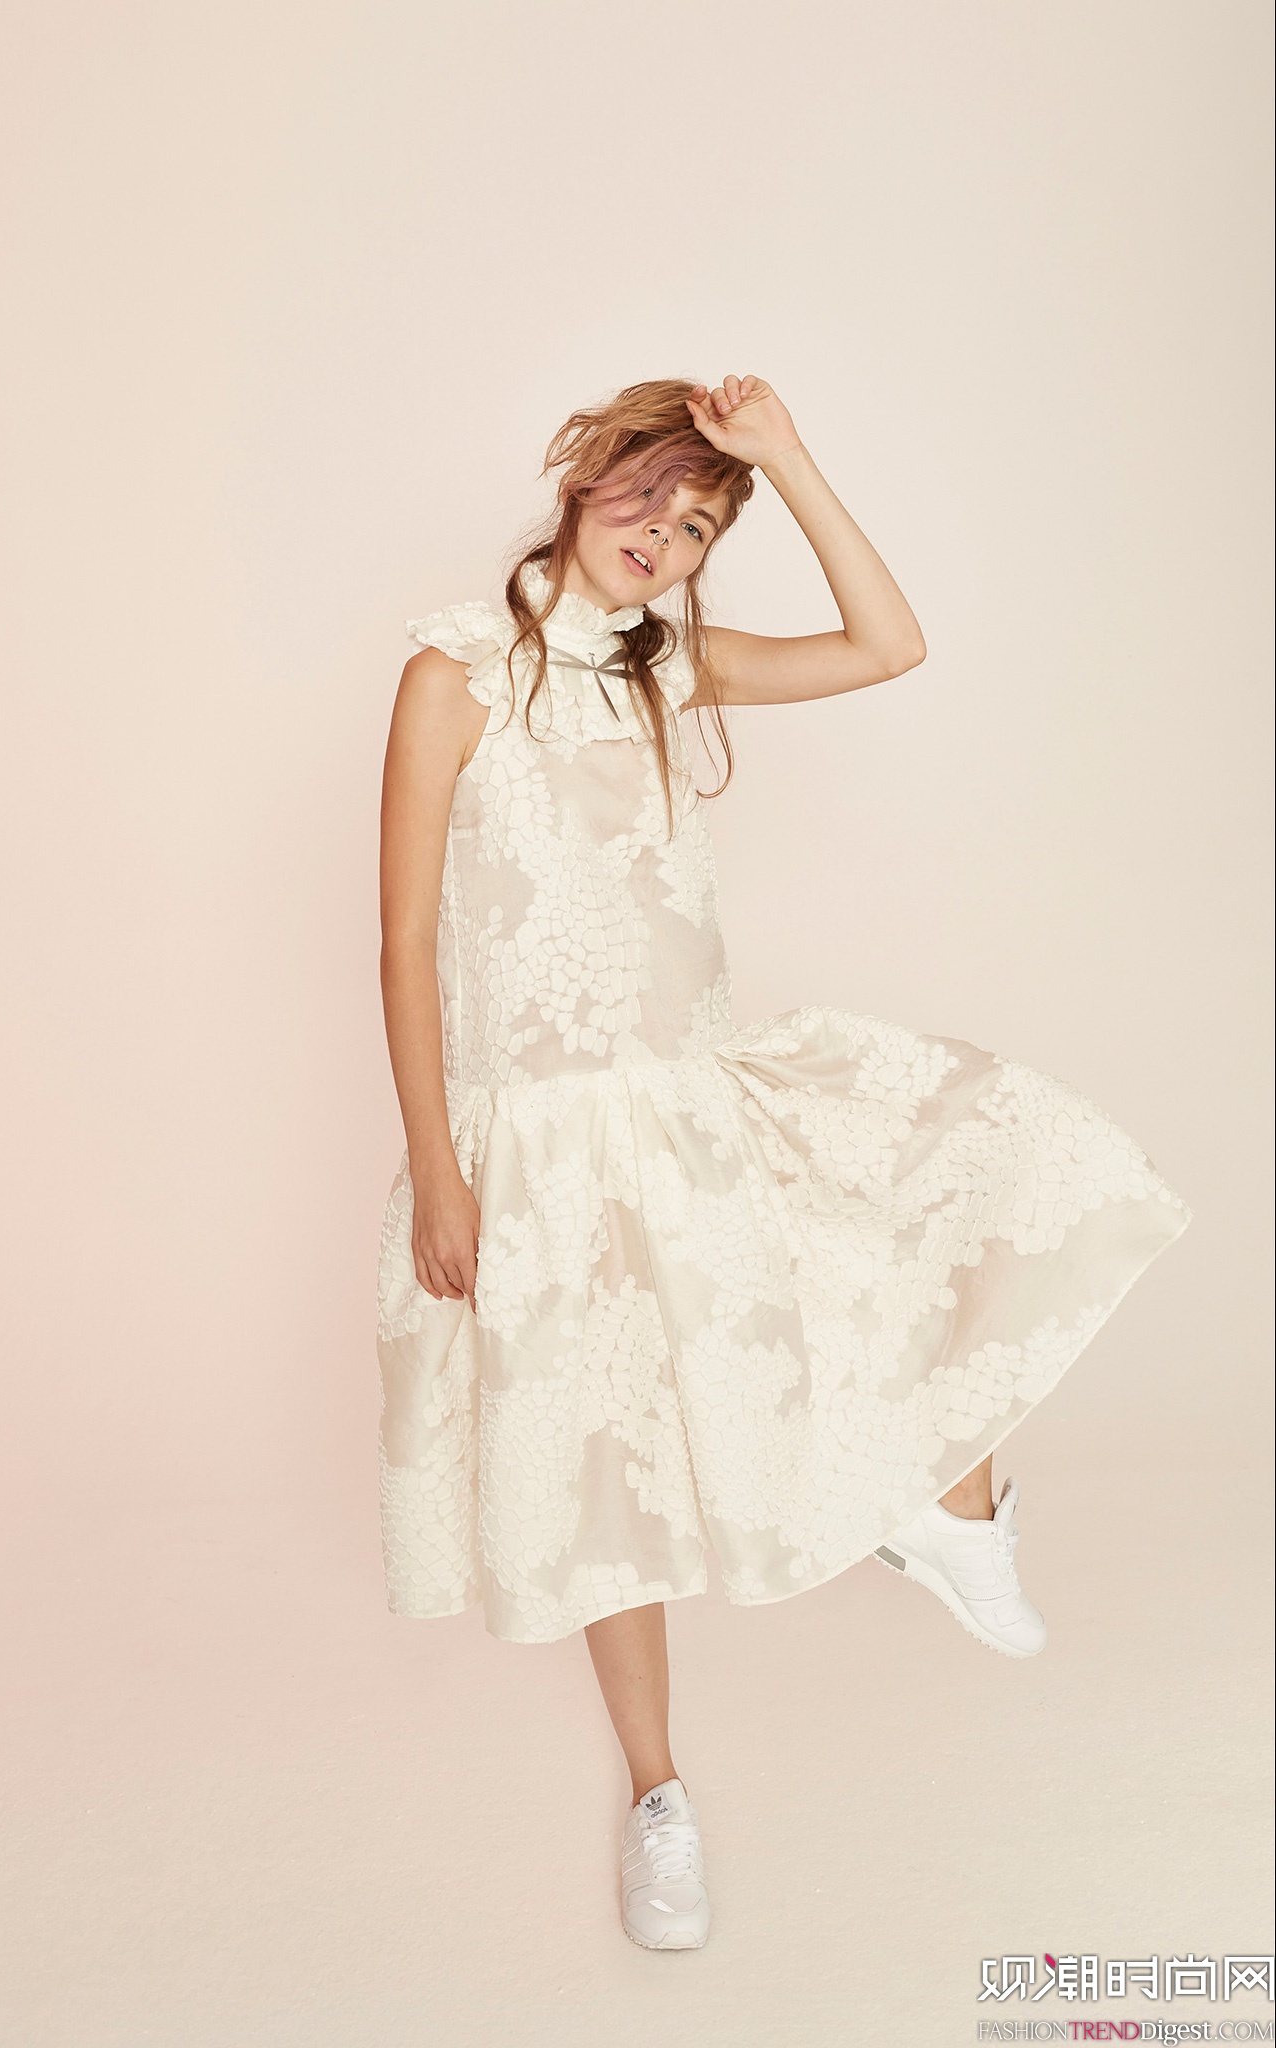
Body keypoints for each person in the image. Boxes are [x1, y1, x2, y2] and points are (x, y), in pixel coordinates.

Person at [374, 375, 1191, 1951]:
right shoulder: (454, 673)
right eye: (651, 501)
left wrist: (788, 459)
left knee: (912, 1199)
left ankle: (941, 1510)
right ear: (584, 479)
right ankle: (658, 1797)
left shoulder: (674, 670)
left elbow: (888, 645)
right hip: (533, 1142)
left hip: (688, 1105)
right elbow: (404, 940)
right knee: (598, 1468)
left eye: (697, 529)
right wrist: (441, 1173)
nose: (665, 542)